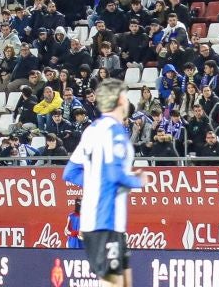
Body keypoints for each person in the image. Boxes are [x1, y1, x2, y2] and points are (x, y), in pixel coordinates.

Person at [64, 79, 143, 287]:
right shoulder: (114, 132)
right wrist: (137, 180)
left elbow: (70, 172)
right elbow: (115, 173)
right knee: (112, 282)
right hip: (106, 219)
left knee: (124, 281)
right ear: (119, 100)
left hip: (101, 220)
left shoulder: (91, 130)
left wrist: (95, 183)